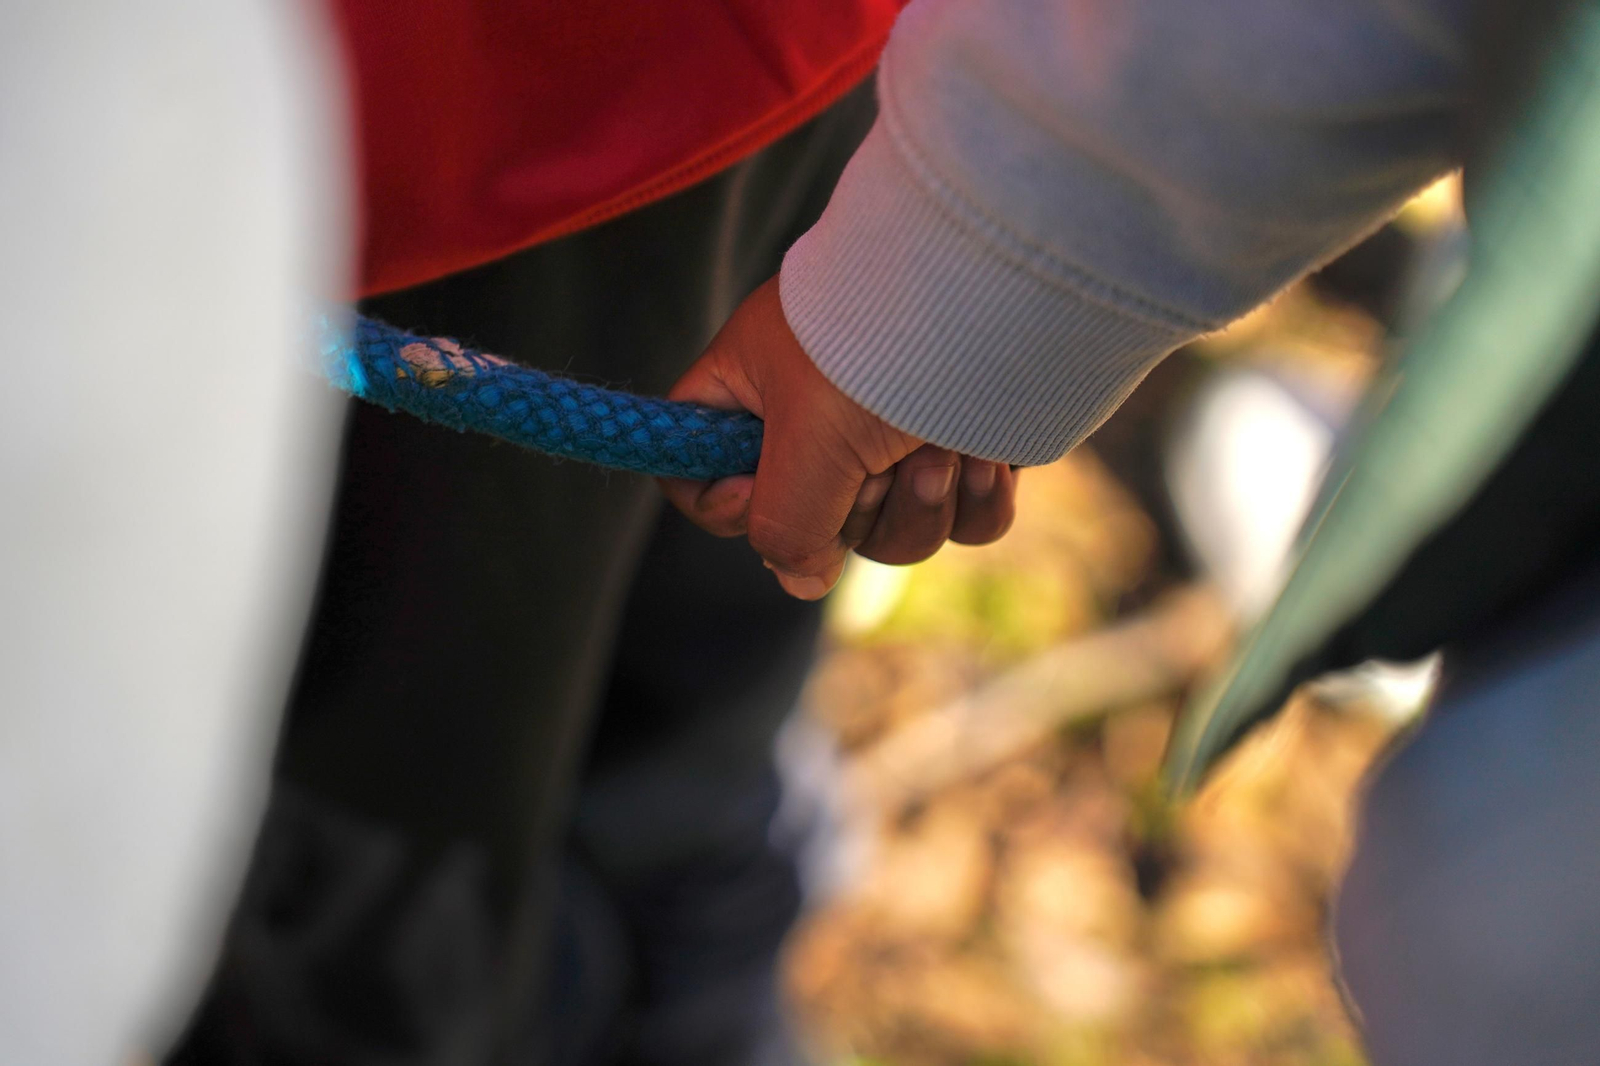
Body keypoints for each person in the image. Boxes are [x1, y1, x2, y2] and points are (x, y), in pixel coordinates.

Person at [169, 1, 1597, 1065]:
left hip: (443, 121)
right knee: (609, 738)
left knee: (401, 834)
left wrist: (978, 249)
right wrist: (969, 260)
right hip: (709, 81)